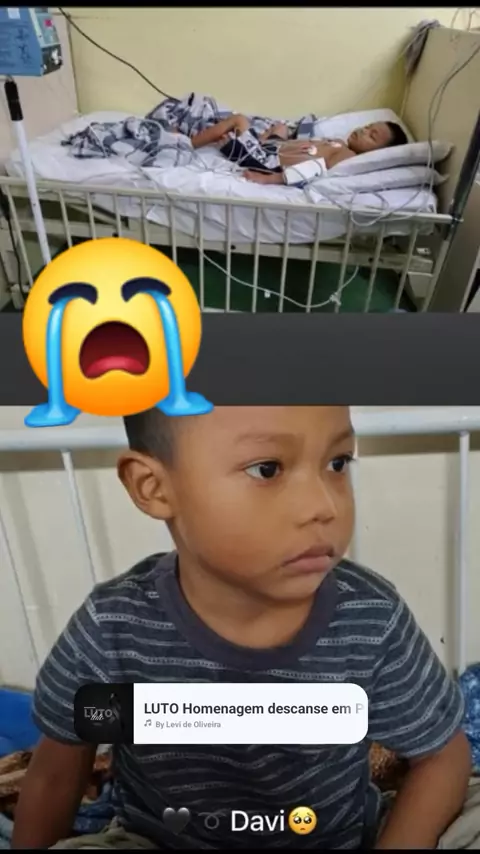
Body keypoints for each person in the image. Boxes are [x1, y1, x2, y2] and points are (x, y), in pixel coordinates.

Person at [12, 406, 475, 851]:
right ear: (154, 487)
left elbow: (442, 756)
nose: (324, 505)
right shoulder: (112, 627)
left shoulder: (370, 618)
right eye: (267, 470)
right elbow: (54, 776)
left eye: (337, 463)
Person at [188, 114, 408, 185]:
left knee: (239, 120)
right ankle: (256, 139)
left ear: (375, 153)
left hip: (265, 162)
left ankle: (188, 145)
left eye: (372, 135)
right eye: (367, 126)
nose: (363, 130)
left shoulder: (347, 157)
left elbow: (315, 169)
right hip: (270, 148)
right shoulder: (340, 144)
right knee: (281, 127)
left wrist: (268, 179)